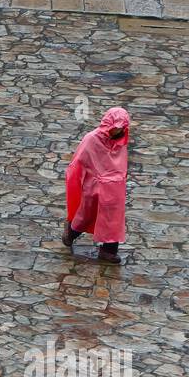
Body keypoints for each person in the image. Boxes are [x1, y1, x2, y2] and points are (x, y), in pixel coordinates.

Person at [63, 107, 130, 264]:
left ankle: (109, 250)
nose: (118, 131)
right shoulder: (91, 139)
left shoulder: (121, 141)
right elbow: (78, 163)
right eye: (116, 127)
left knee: (113, 220)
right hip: (95, 186)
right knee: (86, 215)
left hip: (115, 189)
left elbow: (120, 164)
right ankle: (71, 232)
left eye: (121, 128)